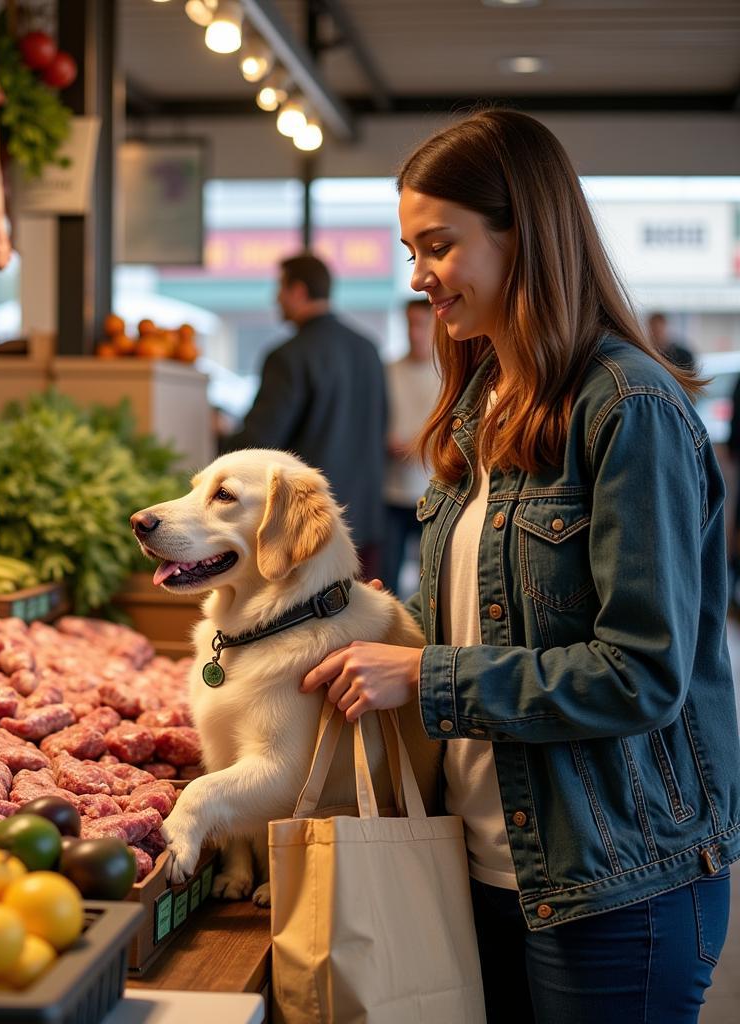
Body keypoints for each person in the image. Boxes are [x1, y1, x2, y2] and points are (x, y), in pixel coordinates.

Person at [300, 109, 737, 1022]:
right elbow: (503, 619)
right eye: (412, 249)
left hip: (614, 881)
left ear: (522, 233)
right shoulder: (483, 402)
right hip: (484, 862)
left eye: (439, 246)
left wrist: (427, 674)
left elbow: (640, 672)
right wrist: (395, 627)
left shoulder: (627, 409)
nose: (419, 276)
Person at [220, 252, 388, 578]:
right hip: (365, 519)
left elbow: (259, 442)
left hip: (307, 525)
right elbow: (381, 424)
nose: (276, 298)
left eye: (279, 288)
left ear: (298, 291)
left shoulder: (288, 356)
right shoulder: (368, 349)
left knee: (307, 624)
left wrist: (223, 433)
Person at [382, 298, 440, 593]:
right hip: (391, 491)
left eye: (421, 324)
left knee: (430, 580)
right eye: (408, 324)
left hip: (433, 491)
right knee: (388, 576)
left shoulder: (449, 372)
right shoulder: (387, 371)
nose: (413, 332)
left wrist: (421, 445)